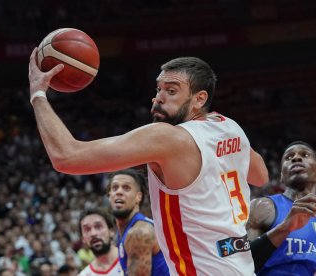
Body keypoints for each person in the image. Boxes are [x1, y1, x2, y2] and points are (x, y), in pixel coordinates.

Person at [28, 49, 269, 275]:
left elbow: (67, 157)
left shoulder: (167, 137)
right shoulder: (230, 127)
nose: (158, 98)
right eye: (159, 89)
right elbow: (260, 177)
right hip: (240, 266)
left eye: (171, 91)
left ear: (199, 98)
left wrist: (38, 94)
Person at [247, 141, 316, 275]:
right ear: (281, 175)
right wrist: (284, 228)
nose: (296, 158)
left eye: (305, 155)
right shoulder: (263, 208)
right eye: (288, 157)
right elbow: (238, 262)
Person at [106, 169, 169, 275]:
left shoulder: (138, 233)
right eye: (115, 187)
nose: (119, 192)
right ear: (109, 196)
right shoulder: (126, 230)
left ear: (138, 197)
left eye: (126, 188)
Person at [78, 208, 122, 276]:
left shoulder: (131, 260)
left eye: (98, 227)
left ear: (111, 231)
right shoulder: (84, 274)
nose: (93, 233)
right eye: (87, 229)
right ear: (83, 239)